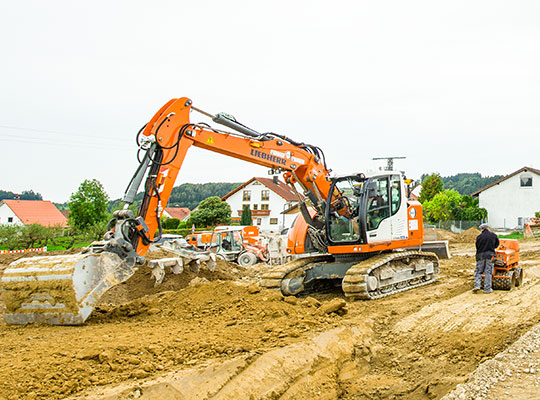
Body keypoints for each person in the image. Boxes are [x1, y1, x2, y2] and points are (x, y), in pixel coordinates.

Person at [473, 223, 500, 294]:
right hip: (490, 255)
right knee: (488, 272)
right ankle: (487, 289)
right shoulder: (493, 236)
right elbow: (496, 245)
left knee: (479, 271)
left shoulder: (479, 237)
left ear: (482, 229)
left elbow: (477, 246)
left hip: (480, 255)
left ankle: (477, 285)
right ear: (488, 228)